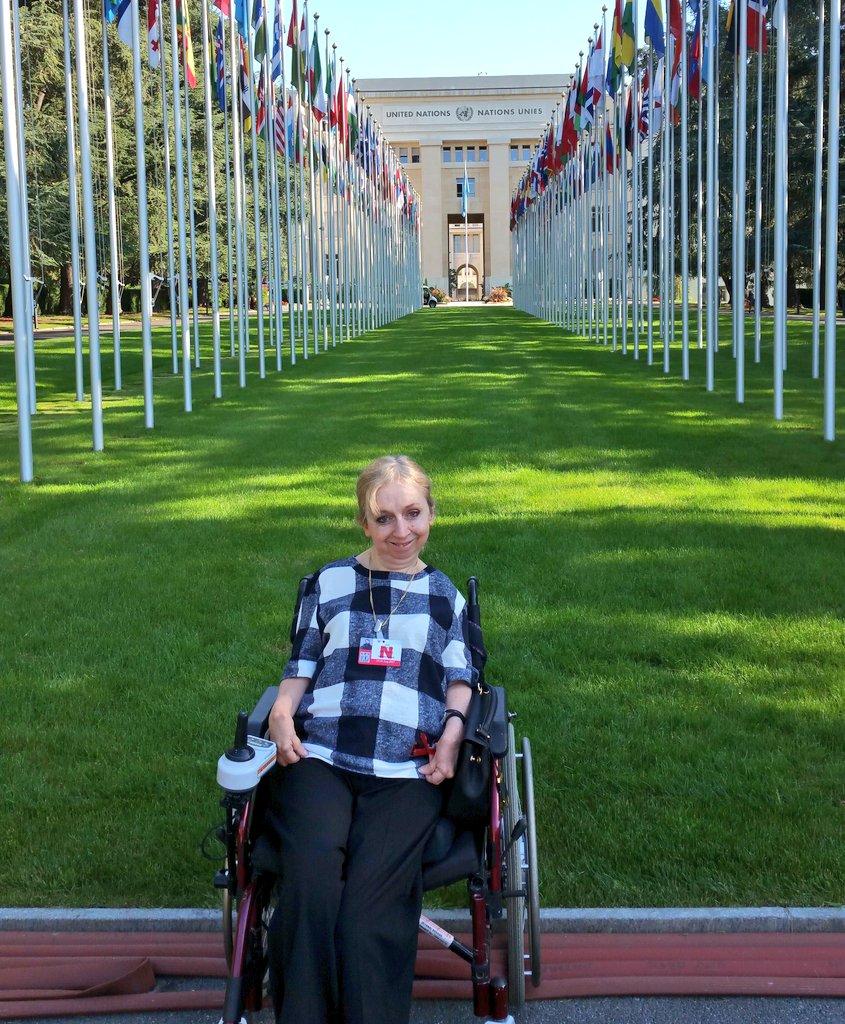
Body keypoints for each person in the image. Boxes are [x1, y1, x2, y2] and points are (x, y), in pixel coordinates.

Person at [265, 455, 476, 1024]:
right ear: (363, 522)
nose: (401, 531)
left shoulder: (445, 596)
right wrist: (282, 712)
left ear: (433, 513)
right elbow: (301, 663)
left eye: (413, 514)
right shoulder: (329, 582)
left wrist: (453, 736)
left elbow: (462, 680)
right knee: (310, 886)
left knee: (367, 911)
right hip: (322, 757)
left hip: (409, 767)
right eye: (384, 519)